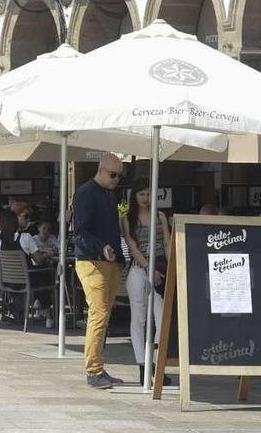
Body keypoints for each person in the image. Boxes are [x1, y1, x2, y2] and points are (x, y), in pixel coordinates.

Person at [73, 153, 125, 389]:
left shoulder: (108, 194)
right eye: (113, 175)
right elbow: (80, 230)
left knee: (104, 316)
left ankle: (99, 368)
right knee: (99, 314)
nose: (116, 180)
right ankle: (93, 371)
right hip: (91, 261)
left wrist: (118, 256)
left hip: (109, 261)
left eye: (119, 176)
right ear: (101, 169)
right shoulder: (86, 192)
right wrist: (101, 247)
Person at [121, 178, 172, 386]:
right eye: (141, 194)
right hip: (139, 269)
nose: (145, 198)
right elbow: (132, 246)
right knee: (139, 319)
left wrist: (171, 269)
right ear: (134, 196)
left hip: (160, 269)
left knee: (161, 319)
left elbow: (167, 243)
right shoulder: (127, 218)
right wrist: (148, 268)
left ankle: (154, 365)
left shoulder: (160, 216)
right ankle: (142, 366)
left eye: (149, 194)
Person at [0, 209, 54, 328]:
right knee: (45, 272)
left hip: (6, 280)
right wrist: (49, 254)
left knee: (39, 275)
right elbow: (38, 259)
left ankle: (38, 306)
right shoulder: (26, 237)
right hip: (26, 280)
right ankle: (47, 312)